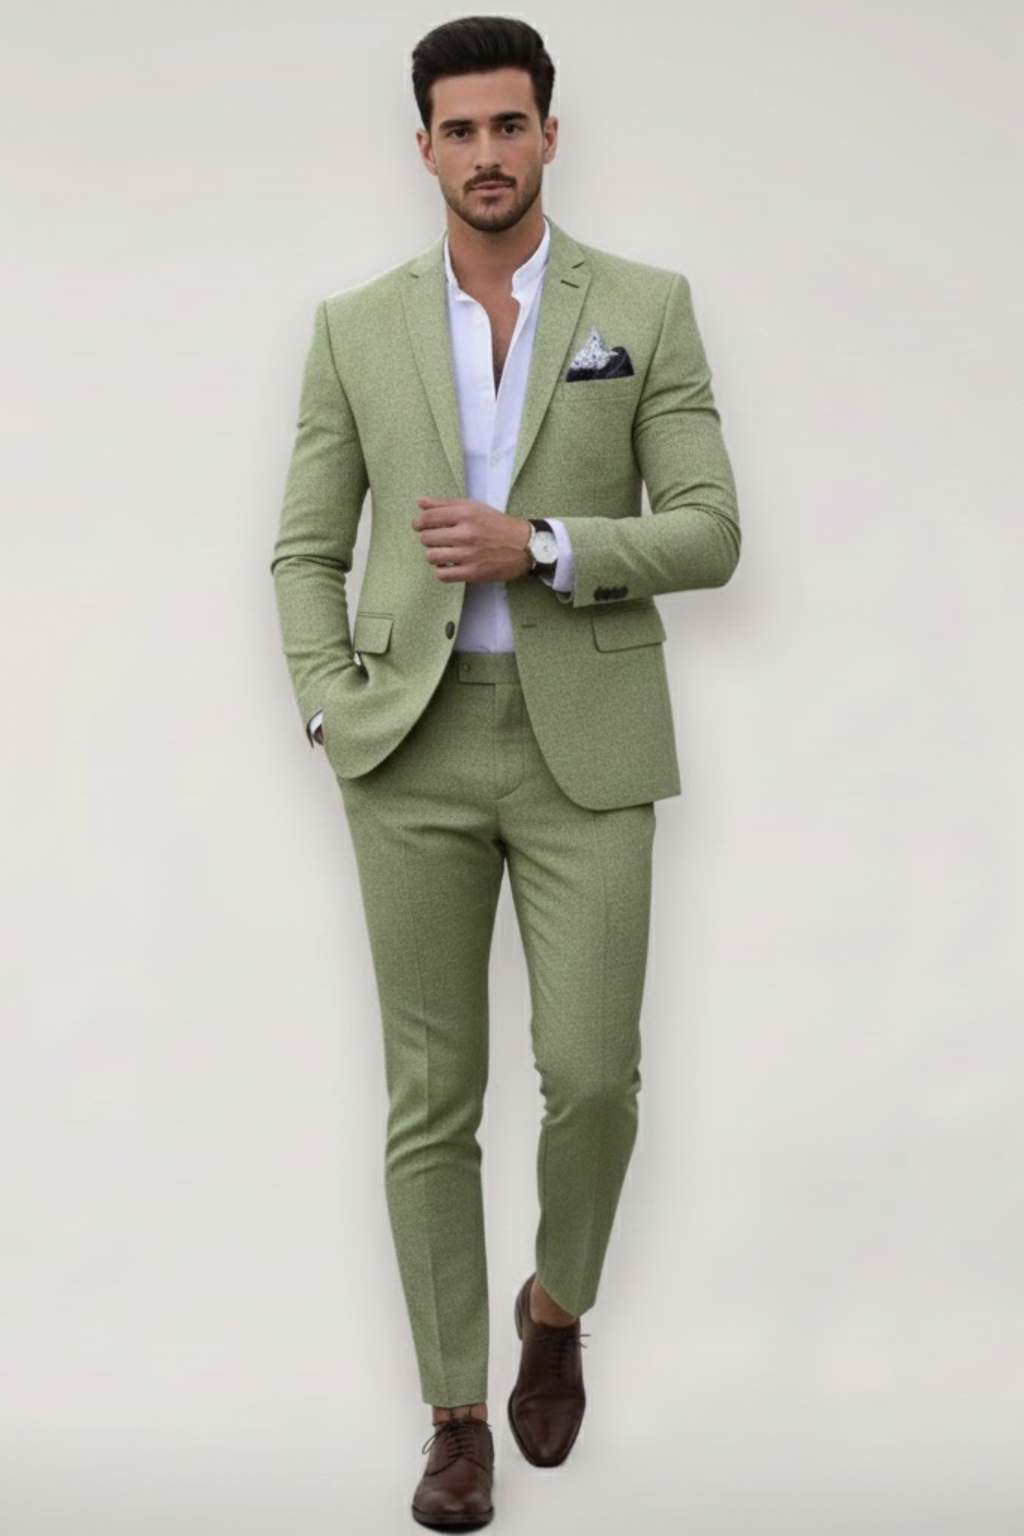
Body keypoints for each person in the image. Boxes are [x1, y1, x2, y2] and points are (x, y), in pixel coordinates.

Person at [270, 14, 740, 1527]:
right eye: (459, 129)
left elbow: (711, 529)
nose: (487, 153)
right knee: (434, 1095)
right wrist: (330, 708)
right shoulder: (355, 326)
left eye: (509, 125)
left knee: (594, 1077)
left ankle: (557, 1306)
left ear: (550, 134)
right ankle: (455, 1417)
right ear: (423, 147)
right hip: (407, 747)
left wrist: (538, 544)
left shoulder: (645, 308)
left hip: (582, 743)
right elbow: (302, 549)